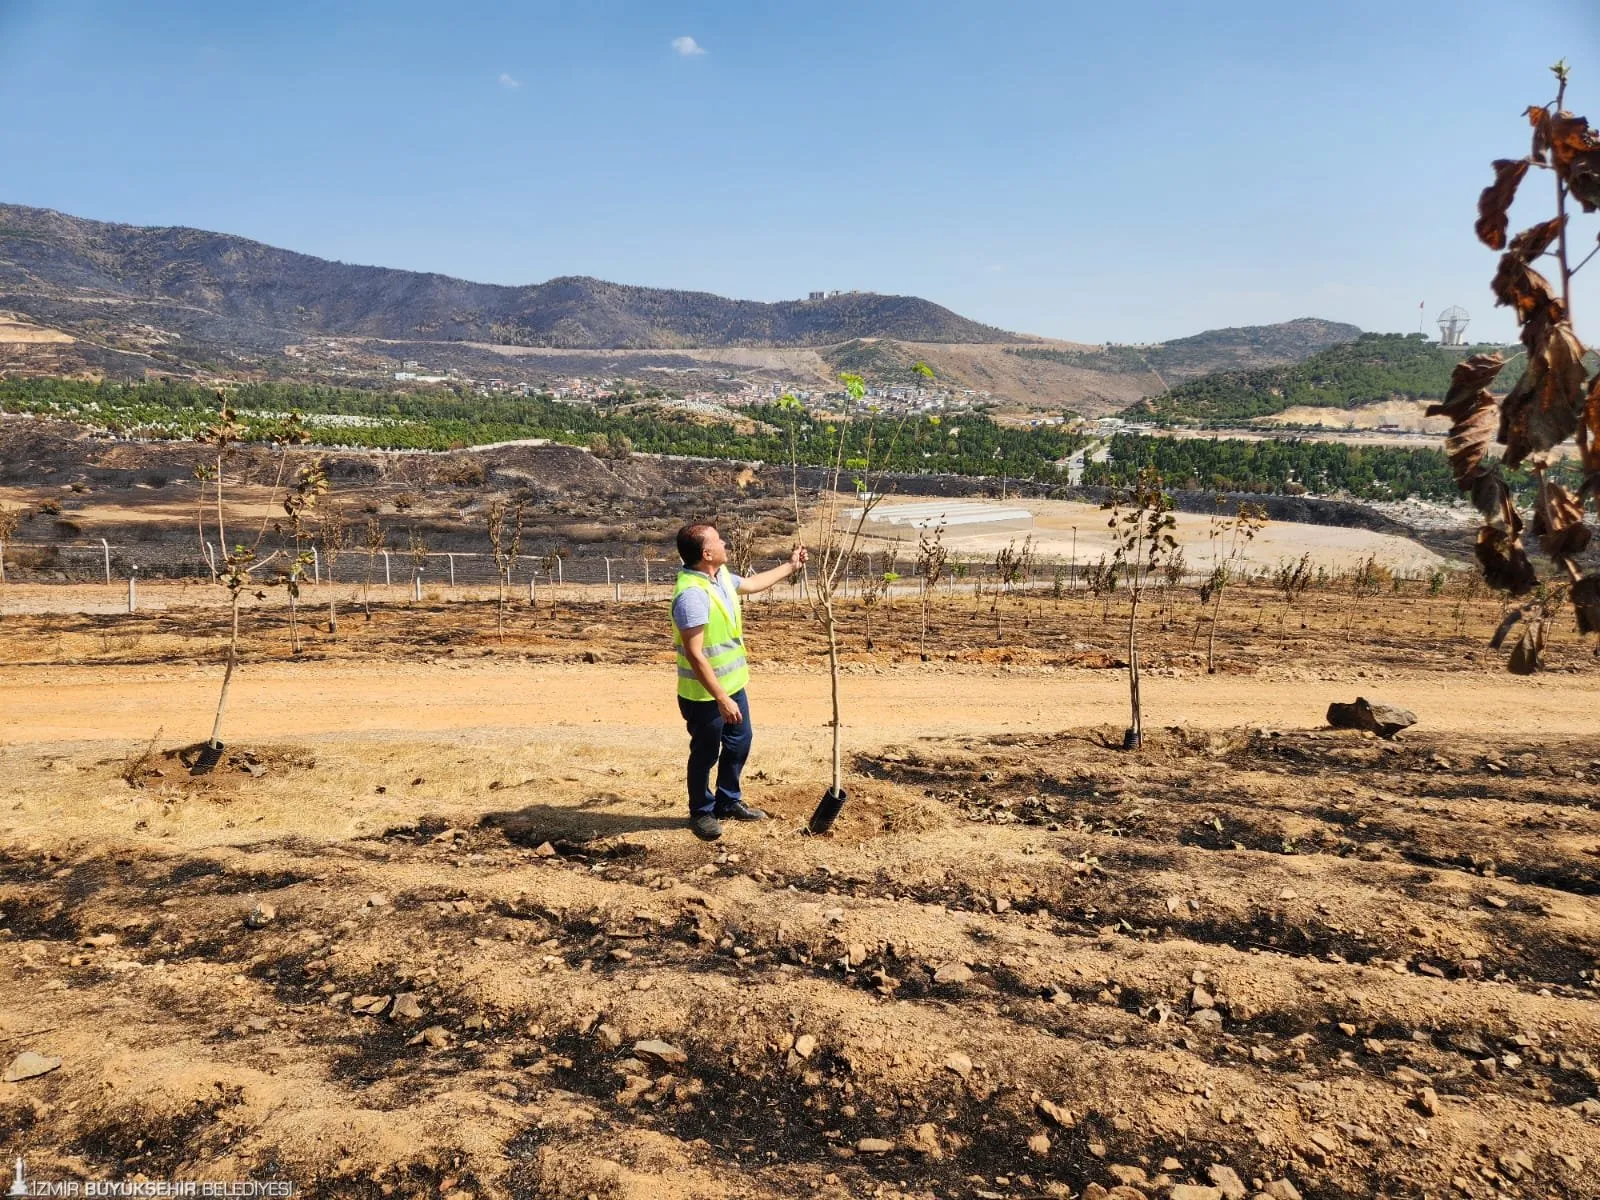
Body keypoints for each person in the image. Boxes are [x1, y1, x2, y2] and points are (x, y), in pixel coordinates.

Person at [671, 522, 806, 841]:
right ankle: (702, 812)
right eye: (719, 541)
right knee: (705, 754)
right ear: (707, 554)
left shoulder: (719, 579)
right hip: (705, 696)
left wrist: (790, 566)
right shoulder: (692, 594)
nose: (725, 543)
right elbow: (694, 654)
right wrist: (721, 697)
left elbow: (752, 584)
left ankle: (728, 801)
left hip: (732, 685)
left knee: (739, 742)